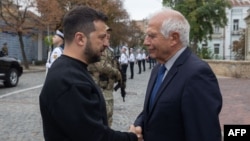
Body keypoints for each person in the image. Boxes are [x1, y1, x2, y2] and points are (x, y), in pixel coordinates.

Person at [39, 6, 142, 141]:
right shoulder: (70, 81)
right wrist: (132, 137)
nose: (106, 44)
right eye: (101, 37)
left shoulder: (71, 69)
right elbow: (96, 137)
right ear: (80, 39)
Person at [131, 8, 222, 141]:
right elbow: (153, 109)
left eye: (152, 36)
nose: (146, 42)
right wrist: (139, 125)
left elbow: (204, 134)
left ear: (173, 38)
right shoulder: (158, 68)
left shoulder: (197, 74)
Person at [87, 26, 122, 127]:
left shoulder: (108, 49)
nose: (108, 35)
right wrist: (117, 73)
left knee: (108, 117)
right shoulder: (96, 49)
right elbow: (100, 66)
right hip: (100, 87)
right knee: (103, 118)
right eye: (105, 33)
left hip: (108, 88)